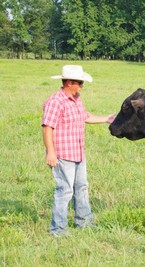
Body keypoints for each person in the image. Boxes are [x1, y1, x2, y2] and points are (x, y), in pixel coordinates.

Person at [42, 65, 115, 236]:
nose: (82, 86)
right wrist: (51, 152)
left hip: (78, 153)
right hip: (63, 155)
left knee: (81, 188)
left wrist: (106, 119)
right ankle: (58, 230)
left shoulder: (76, 100)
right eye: (80, 83)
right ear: (69, 82)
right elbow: (47, 128)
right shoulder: (55, 102)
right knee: (64, 191)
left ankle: (84, 223)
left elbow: (86, 116)